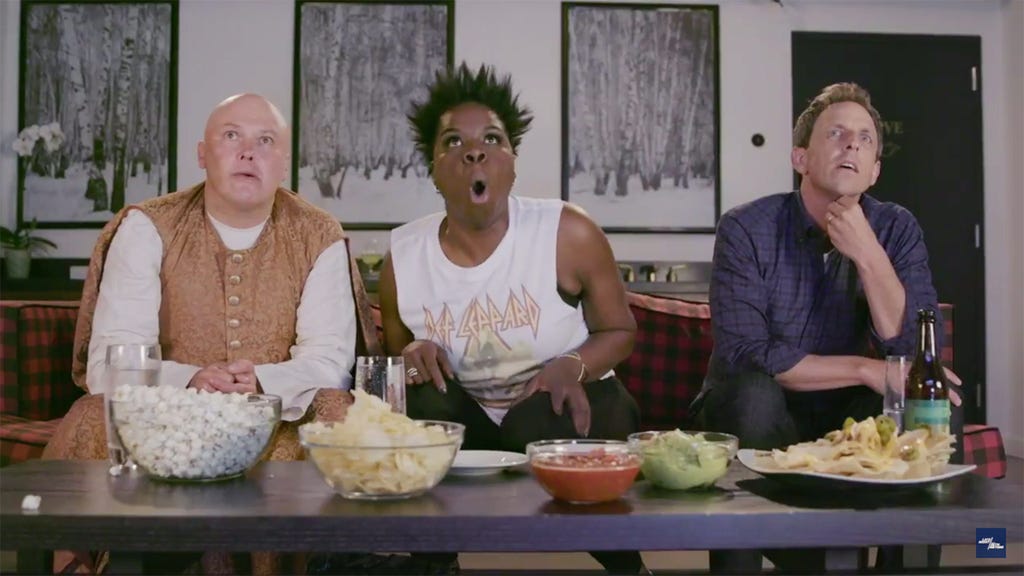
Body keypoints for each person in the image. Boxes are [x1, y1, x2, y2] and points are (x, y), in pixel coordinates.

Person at [43, 93, 379, 575]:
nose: (248, 152)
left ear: (283, 163)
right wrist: (190, 379)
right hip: (163, 419)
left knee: (335, 411)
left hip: (277, 421)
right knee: (92, 416)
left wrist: (260, 381)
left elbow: (329, 362)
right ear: (203, 154)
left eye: (265, 141)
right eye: (231, 136)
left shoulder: (318, 233)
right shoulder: (147, 226)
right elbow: (110, 363)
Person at [377, 63, 643, 575]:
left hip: (564, 407)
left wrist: (571, 365)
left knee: (543, 420)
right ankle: (434, 563)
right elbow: (398, 365)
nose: (474, 151)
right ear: (432, 169)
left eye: (492, 139)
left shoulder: (567, 231)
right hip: (469, 422)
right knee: (422, 401)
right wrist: (411, 354)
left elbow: (620, 330)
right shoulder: (403, 256)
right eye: (453, 141)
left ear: (512, 162)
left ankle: (627, 564)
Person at [692, 82, 962, 573]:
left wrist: (868, 253)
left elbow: (911, 350)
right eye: (836, 133)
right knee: (752, 395)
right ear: (801, 158)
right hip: (760, 408)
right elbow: (747, 352)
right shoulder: (746, 228)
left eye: (865, 138)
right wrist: (865, 369)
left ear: (874, 170)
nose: (852, 143)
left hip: (849, 415)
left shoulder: (896, 228)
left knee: (933, 405)